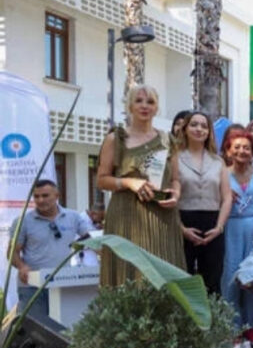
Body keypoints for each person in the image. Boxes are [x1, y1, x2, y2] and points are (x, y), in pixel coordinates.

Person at [96, 85, 185, 287]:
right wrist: (129, 182)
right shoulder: (115, 139)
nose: (145, 106)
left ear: (157, 108)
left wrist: (176, 194)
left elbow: (176, 179)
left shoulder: (167, 141)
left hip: (161, 215)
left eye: (150, 102)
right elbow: (101, 179)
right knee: (128, 272)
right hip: (126, 215)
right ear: (130, 106)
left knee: (163, 272)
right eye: (139, 101)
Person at [11, 180, 92, 318]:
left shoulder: (73, 217)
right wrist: (21, 266)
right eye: (36, 196)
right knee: (36, 332)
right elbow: (12, 252)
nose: (40, 200)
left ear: (57, 195)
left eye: (45, 195)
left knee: (62, 332)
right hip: (32, 287)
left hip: (63, 284)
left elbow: (92, 239)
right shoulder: (23, 221)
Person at [221, 132, 253, 328]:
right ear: (228, 151)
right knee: (230, 278)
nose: (242, 151)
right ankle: (231, 329)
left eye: (246, 148)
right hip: (230, 229)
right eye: (237, 147)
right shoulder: (222, 174)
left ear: (252, 152)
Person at [177, 111, 232, 295]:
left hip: (213, 224)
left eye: (203, 125)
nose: (199, 129)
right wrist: (181, 229)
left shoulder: (218, 161)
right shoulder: (174, 158)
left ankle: (212, 323)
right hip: (183, 222)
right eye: (194, 124)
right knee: (183, 279)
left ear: (209, 131)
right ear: (185, 129)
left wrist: (219, 227)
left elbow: (227, 197)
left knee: (212, 281)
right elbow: (168, 195)